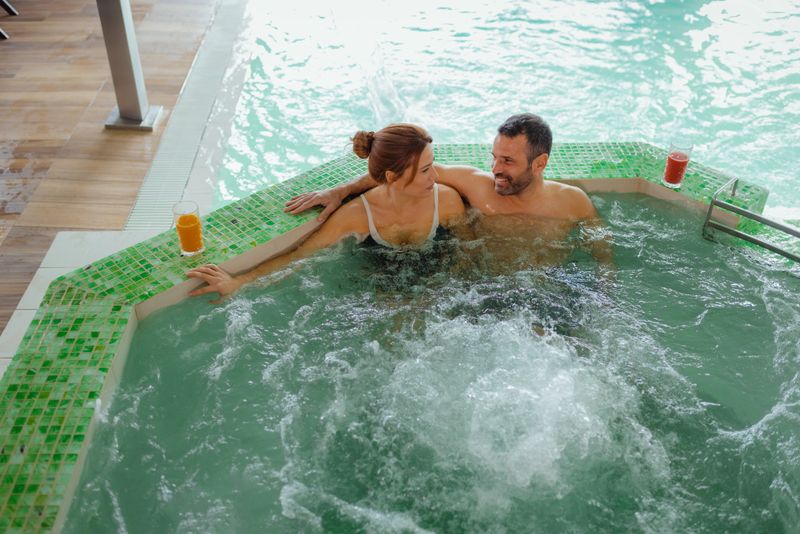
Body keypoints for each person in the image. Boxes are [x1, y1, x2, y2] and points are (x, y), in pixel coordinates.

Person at [285, 113, 613, 266]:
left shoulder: (573, 203)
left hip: (548, 290)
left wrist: (605, 288)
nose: (495, 169)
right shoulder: (475, 185)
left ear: (539, 164)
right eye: (494, 157)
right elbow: (401, 173)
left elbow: (603, 255)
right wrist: (342, 191)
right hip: (485, 290)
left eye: (508, 161)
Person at [186, 124, 466, 298]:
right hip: (383, 297)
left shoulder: (447, 202)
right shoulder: (356, 216)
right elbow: (298, 257)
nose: (435, 175)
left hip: (441, 292)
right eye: (426, 170)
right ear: (392, 177)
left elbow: (468, 253)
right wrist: (239, 282)